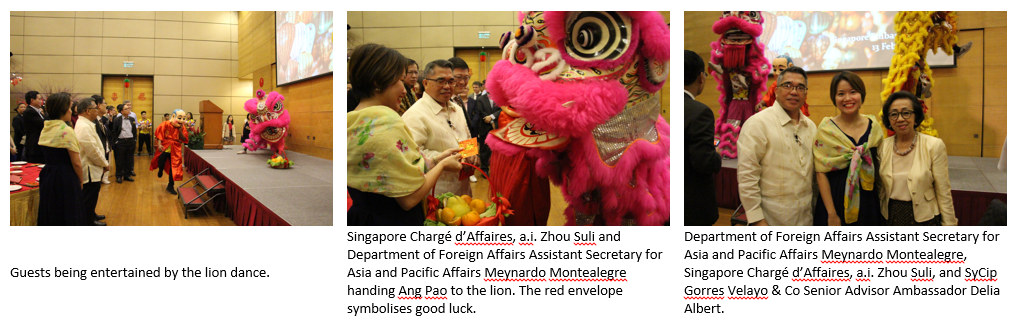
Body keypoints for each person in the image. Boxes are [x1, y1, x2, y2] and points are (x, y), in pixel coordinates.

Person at [347, 43, 463, 225]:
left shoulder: (353, 120)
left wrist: (435, 161)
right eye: (401, 80)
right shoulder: (387, 121)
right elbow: (408, 199)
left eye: (452, 81)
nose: (404, 89)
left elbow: (393, 166)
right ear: (378, 82)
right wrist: (442, 167)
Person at [737, 66, 818, 226]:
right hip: (770, 220)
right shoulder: (757, 124)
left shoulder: (811, 127)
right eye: (787, 85)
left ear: (805, 93)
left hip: (806, 219)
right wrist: (757, 220)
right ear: (776, 90)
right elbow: (747, 176)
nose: (794, 91)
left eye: (800, 87)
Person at [813, 71, 884, 226]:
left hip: (868, 200)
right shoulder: (826, 130)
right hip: (835, 201)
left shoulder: (874, 128)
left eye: (853, 92)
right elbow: (820, 173)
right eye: (841, 94)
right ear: (834, 98)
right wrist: (831, 214)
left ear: (861, 95)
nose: (847, 98)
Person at [877, 91, 956, 226]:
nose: (900, 119)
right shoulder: (882, 147)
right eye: (894, 114)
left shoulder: (933, 145)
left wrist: (949, 225)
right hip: (890, 216)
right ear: (889, 119)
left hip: (925, 217)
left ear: (916, 116)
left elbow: (943, 191)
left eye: (906, 113)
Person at [403, 59, 477, 196]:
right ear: (425, 83)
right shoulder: (415, 115)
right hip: (436, 193)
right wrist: (442, 160)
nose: (447, 86)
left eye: (451, 81)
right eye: (441, 81)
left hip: (463, 189)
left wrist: (471, 154)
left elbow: (466, 138)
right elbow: (411, 157)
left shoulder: (457, 109)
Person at [36, 92, 87, 226]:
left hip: (48, 174)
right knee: (68, 212)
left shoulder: (46, 127)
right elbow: (76, 163)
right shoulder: (66, 130)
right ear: (62, 109)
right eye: (69, 107)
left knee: (51, 210)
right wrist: (80, 181)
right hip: (65, 177)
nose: (71, 111)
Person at [684, 50, 722, 226]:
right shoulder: (700, 112)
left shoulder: (663, 106)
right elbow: (705, 162)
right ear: (701, 77)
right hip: (692, 205)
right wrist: (717, 154)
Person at [74, 98, 109, 226]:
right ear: (88, 111)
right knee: (89, 197)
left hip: (93, 166)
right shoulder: (83, 126)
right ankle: (88, 221)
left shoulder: (87, 123)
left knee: (92, 196)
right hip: (89, 168)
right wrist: (104, 163)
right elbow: (92, 150)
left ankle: (91, 214)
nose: (98, 110)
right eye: (95, 108)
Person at [151, 109, 189, 195]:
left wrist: (180, 131)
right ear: (173, 116)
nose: (181, 120)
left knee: (174, 167)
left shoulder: (181, 127)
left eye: (183, 118)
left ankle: (170, 186)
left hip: (175, 148)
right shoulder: (165, 124)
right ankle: (160, 169)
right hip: (165, 146)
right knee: (161, 161)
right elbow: (160, 134)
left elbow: (184, 139)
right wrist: (159, 144)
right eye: (179, 118)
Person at [111, 104, 137, 183]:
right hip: (121, 142)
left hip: (130, 141)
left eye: (128, 108)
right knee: (120, 160)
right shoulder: (117, 119)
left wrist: (134, 139)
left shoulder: (132, 119)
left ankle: (127, 175)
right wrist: (116, 141)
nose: (128, 109)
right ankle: (119, 176)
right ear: (121, 111)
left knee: (129, 160)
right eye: (126, 109)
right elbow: (114, 131)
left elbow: (134, 130)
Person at [92, 95, 112, 184]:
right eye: (105, 103)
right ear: (99, 105)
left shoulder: (100, 120)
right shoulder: (92, 122)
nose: (106, 106)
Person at [23, 91, 46, 163]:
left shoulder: (37, 111)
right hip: (34, 146)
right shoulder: (29, 111)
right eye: (39, 99)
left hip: (39, 145)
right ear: (32, 100)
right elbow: (43, 124)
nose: (41, 101)